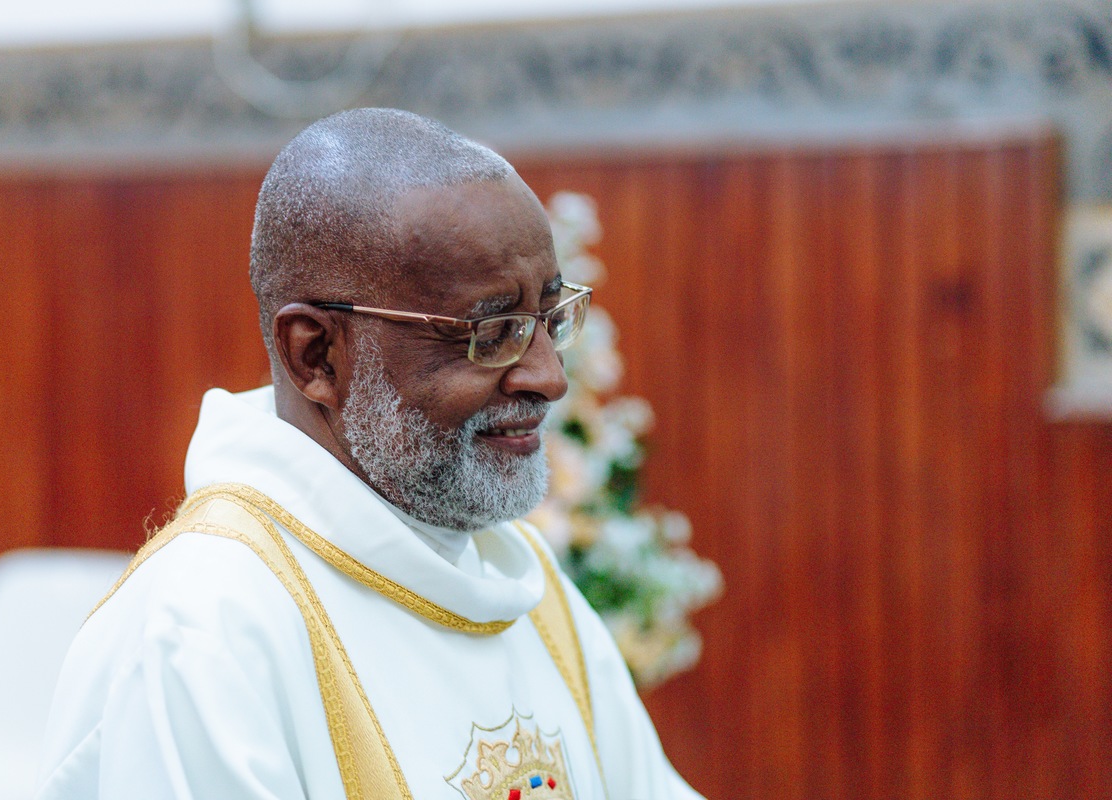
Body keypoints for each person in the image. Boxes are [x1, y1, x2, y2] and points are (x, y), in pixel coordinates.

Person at [36, 108, 704, 800]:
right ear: (316, 354)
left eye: (550, 318)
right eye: (490, 330)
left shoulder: (525, 582)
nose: (548, 377)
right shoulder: (205, 630)